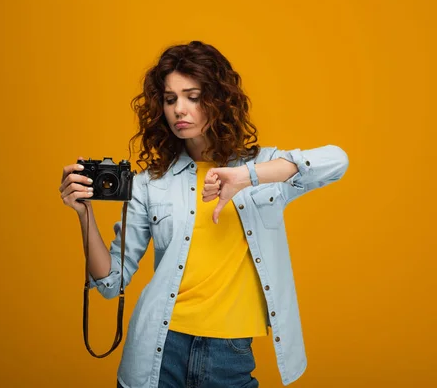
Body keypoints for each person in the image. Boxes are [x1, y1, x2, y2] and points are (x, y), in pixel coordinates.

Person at [59, 40, 349, 388]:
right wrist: (84, 215)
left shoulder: (265, 167)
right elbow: (110, 284)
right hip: (158, 349)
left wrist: (246, 176)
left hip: (230, 353)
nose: (179, 109)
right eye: (170, 99)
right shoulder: (151, 184)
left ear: (219, 99)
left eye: (192, 96)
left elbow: (337, 160)